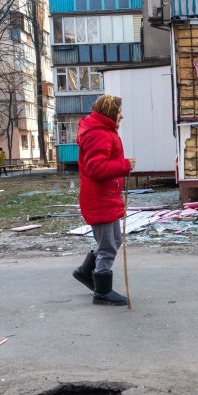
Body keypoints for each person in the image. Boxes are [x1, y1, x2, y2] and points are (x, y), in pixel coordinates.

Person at [71, 94, 136, 306]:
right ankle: (102, 291)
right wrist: (124, 165)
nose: (122, 116)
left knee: (114, 241)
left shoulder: (103, 131)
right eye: (118, 112)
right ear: (110, 112)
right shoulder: (98, 134)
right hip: (99, 198)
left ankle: (85, 271)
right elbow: (96, 169)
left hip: (106, 196)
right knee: (108, 245)